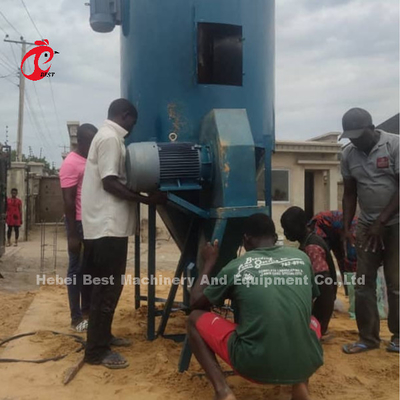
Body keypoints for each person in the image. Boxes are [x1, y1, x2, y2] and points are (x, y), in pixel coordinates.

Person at [188, 213, 323, 400]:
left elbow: (195, 302)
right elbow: (308, 305)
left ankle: (223, 392)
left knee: (194, 319)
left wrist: (209, 263)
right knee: (312, 321)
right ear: (275, 238)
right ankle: (300, 385)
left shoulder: (237, 266)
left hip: (252, 365)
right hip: (304, 361)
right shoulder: (301, 258)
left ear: (245, 240)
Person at [81, 98, 166, 369]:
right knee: (106, 289)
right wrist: (144, 199)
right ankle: (96, 352)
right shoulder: (109, 138)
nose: (132, 128)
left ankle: (102, 337)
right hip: (107, 227)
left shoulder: (109, 137)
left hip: (107, 227)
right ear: (125, 115)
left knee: (109, 287)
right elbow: (109, 183)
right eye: (132, 121)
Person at [340, 108, 399, 354]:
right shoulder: (348, 154)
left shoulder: (394, 145)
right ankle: (368, 338)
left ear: (371, 127)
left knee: (396, 284)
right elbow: (350, 193)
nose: (354, 140)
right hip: (366, 225)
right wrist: (346, 227)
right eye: (350, 136)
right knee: (363, 283)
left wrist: (381, 222)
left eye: (358, 134)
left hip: (396, 224)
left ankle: (398, 337)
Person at [59, 123, 98, 332]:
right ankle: (76, 318)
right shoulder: (71, 164)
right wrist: (72, 235)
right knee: (76, 270)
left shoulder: (89, 160)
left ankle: (87, 311)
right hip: (78, 223)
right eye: (90, 142)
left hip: (90, 222)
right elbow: (68, 200)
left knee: (88, 270)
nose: (93, 146)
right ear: (80, 142)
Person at [281, 206, 337, 337]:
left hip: (319, 308)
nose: (285, 233)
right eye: (284, 229)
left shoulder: (312, 247)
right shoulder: (309, 240)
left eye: (288, 228)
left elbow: (326, 289)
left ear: (302, 225)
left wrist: (321, 325)